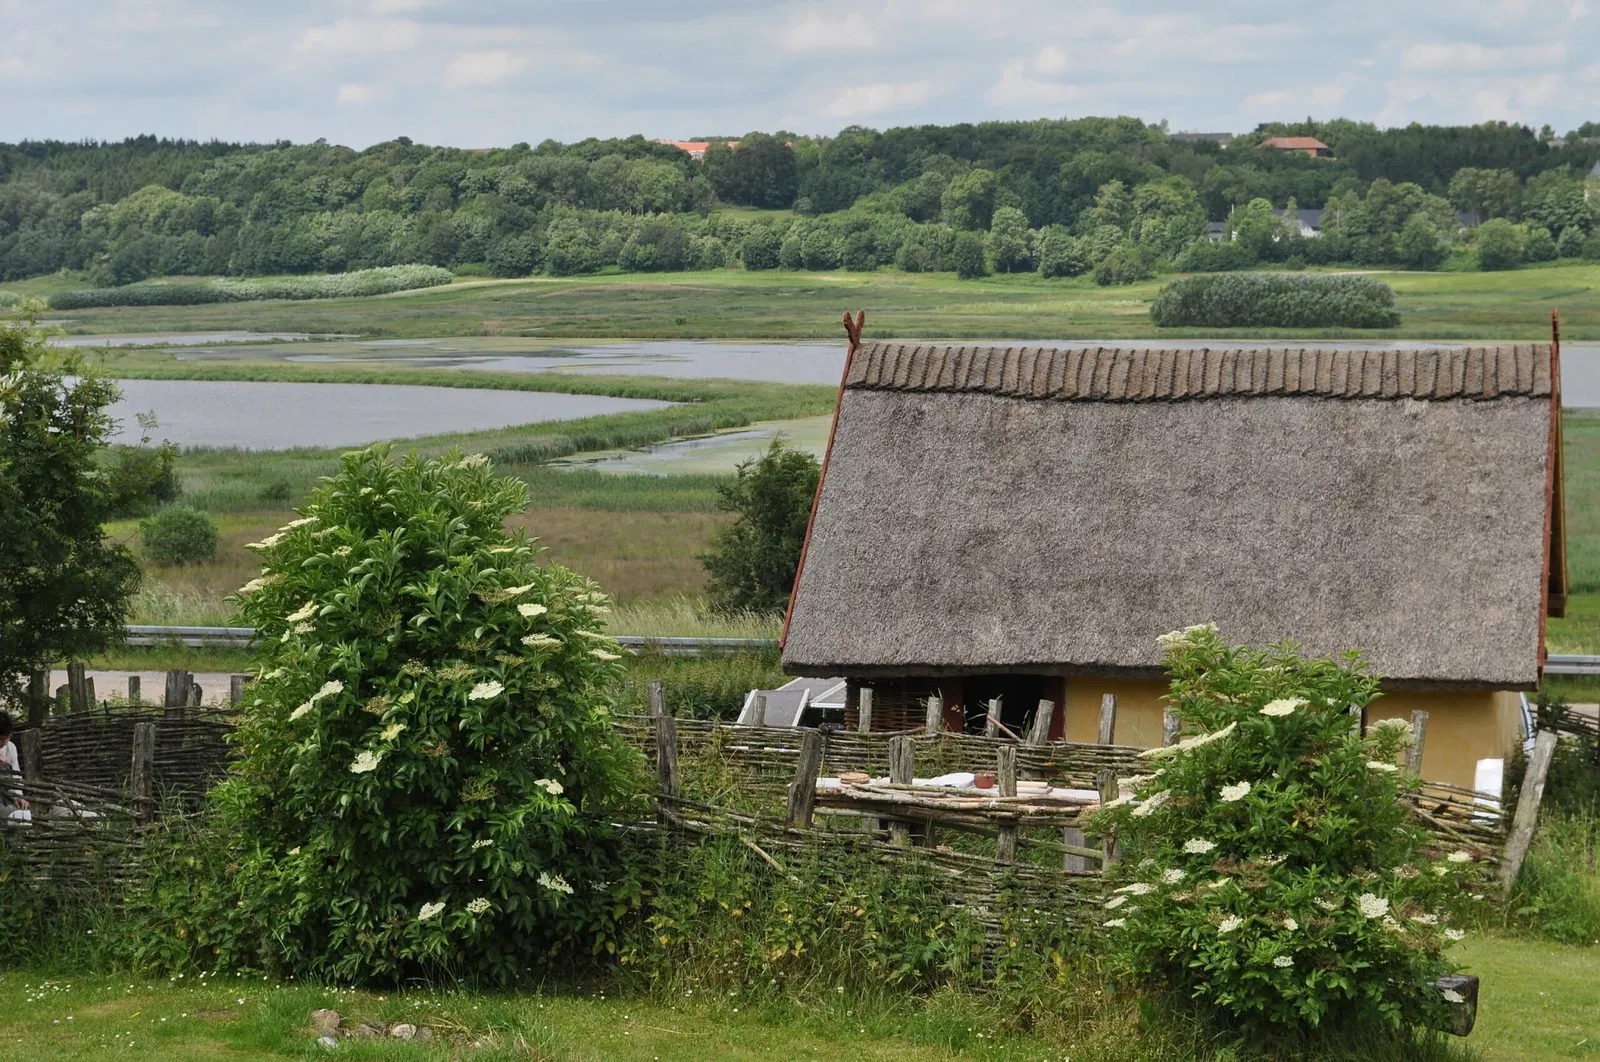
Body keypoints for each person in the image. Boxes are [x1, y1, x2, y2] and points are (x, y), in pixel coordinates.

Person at [0, 711, 29, 815]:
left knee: (22, 814)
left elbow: (15, 775)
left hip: (5, 796)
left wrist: (18, 797)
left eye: (3, 739)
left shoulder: (11, 748)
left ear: (10, 736)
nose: (1, 743)